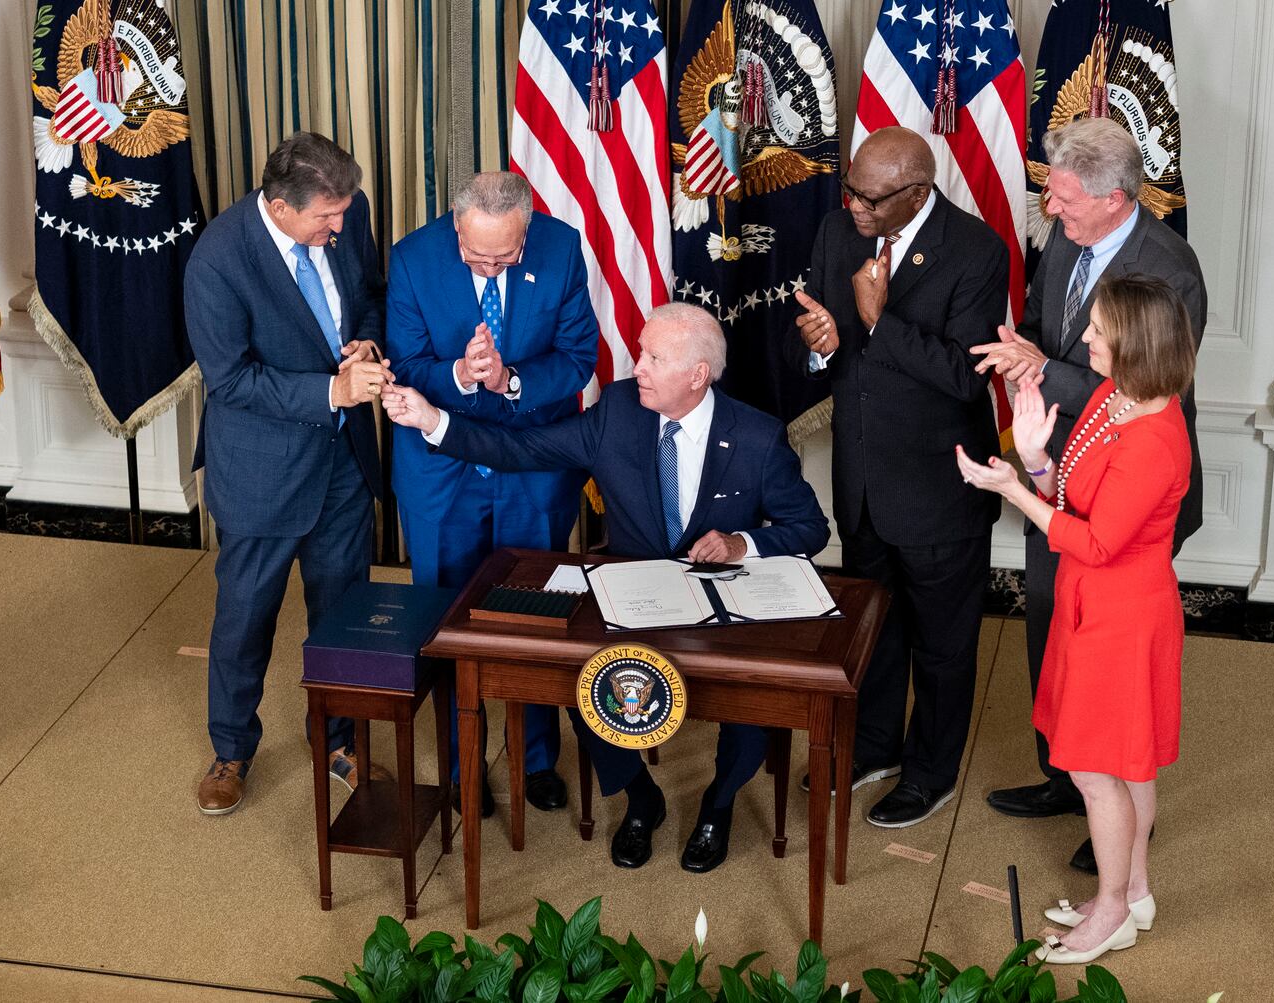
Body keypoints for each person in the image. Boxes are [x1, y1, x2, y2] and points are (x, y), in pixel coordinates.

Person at [382, 303, 829, 873]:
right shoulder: (618, 411)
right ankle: (641, 799)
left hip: (722, 606)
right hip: (634, 600)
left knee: (755, 694)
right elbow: (524, 449)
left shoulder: (757, 436)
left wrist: (743, 543)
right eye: (641, 352)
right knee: (585, 681)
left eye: (653, 358)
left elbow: (811, 529)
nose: (635, 366)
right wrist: (432, 421)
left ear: (697, 375)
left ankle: (718, 805)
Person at [970, 116, 1206, 873]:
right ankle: (1068, 775)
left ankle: (1117, 811)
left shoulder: (1170, 268)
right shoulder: (1068, 237)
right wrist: (1027, 367)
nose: (1052, 211)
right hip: (1059, 469)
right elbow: (1044, 334)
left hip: (1127, 483)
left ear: (1113, 197)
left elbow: (1140, 386)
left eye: (1065, 199)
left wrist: (1036, 368)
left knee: (1114, 668)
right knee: (1052, 629)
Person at [957, 274, 1197, 964]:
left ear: (1136, 342)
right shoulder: (1111, 396)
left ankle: (1115, 909)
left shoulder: (1154, 438)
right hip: (1089, 601)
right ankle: (1135, 890)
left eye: (1099, 330)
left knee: (1100, 771)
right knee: (1128, 765)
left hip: (1123, 615)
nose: (1084, 338)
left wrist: (1010, 487)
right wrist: (1033, 459)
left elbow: (1095, 540)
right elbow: (1071, 494)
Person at [788, 126, 1006, 827]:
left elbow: (963, 378)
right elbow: (830, 344)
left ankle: (929, 772)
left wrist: (879, 323)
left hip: (940, 490)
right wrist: (823, 345)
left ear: (915, 194)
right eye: (849, 190)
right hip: (863, 485)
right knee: (872, 631)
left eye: (869, 200)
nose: (853, 207)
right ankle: (874, 748)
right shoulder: (836, 230)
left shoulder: (976, 251)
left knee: (942, 647)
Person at [184, 132, 390, 815]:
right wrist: (330, 392)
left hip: (341, 463)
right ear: (277, 206)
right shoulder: (218, 258)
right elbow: (231, 379)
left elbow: (368, 295)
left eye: (342, 212)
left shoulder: (344, 214)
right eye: (325, 218)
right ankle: (231, 747)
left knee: (343, 610)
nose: (340, 226)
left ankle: (336, 737)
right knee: (246, 616)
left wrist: (366, 338)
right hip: (261, 471)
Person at [386, 172, 599, 817]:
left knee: (535, 611)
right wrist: (458, 373)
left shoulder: (560, 249)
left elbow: (578, 355)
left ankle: (536, 757)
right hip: (442, 472)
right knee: (449, 615)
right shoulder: (414, 258)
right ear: (457, 228)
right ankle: (462, 764)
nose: (490, 265)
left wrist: (509, 380)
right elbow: (405, 361)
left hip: (531, 464)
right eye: (477, 255)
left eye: (504, 256)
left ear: (525, 232)